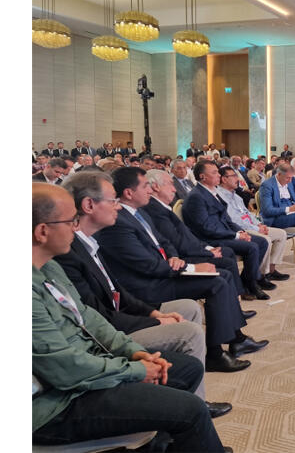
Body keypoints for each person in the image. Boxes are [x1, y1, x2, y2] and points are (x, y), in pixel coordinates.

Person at [32, 183, 230, 452]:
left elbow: (89, 318)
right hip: (54, 404)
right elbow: (65, 368)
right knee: (191, 409)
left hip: (86, 370)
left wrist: (134, 352)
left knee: (188, 369)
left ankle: (168, 442)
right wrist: (135, 370)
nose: (75, 228)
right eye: (70, 221)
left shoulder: (50, 266)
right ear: (42, 231)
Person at [94, 167, 265, 371]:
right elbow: (147, 265)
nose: (150, 190)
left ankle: (236, 338)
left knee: (223, 275)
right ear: (129, 193)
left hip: (164, 271)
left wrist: (174, 257)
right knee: (217, 282)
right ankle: (216, 353)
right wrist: (190, 267)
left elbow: (163, 241)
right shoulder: (118, 223)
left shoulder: (137, 213)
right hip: (148, 286)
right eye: (145, 186)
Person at [142, 169, 252, 300]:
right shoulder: (155, 209)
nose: (174, 189)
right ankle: (236, 298)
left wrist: (208, 248)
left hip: (194, 245)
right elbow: (177, 242)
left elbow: (186, 235)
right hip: (182, 256)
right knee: (227, 263)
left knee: (227, 252)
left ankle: (237, 296)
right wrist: (208, 253)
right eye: (170, 184)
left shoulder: (162, 207)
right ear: (156, 187)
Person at [182, 161, 271, 300]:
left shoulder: (212, 192)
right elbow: (206, 228)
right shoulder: (196, 197)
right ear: (203, 176)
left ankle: (246, 280)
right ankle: (251, 284)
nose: (219, 175)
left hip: (223, 233)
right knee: (252, 247)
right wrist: (236, 235)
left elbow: (226, 219)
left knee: (262, 242)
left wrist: (240, 232)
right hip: (210, 238)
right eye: (214, 172)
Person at [216, 166, 291, 284]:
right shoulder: (220, 196)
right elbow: (234, 221)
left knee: (281, 234)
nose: (237, 179)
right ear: (224, 179)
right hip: (241, 229)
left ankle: (271, 269)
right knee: (265, 240)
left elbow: (248, 213)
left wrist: (259, 224)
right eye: (234, 176)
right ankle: (261, 274)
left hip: (252, 226)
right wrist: (256, 228)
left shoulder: (236, 195)